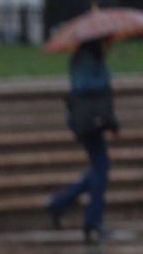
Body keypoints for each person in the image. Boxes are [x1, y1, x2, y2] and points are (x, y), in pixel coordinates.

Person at [48, 39, 120, 243]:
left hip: (89, 121)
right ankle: (92, 221)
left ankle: (60, 203)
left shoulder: (88, 57)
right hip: (90, 122)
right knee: (102, 167)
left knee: (100, 167)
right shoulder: (88, 59)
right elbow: (92, 89)